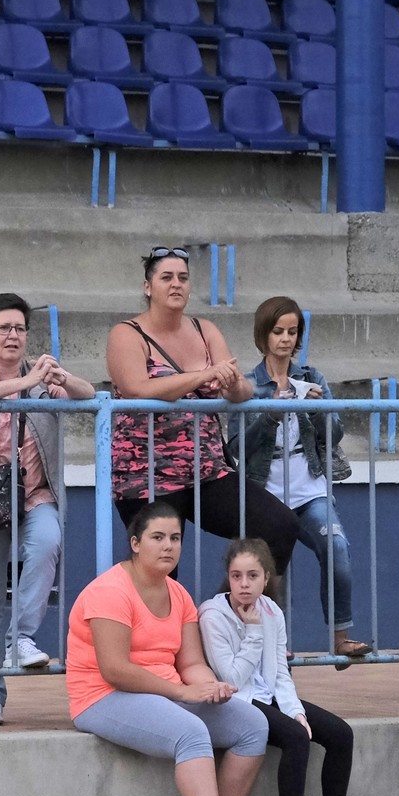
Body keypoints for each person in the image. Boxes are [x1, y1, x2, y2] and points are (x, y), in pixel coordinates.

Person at [66, 502, 276, 796]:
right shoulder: (110, 591)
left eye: (175, 538)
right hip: (102, 697)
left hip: (162, 693)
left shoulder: (178, 594)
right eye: (158, 537)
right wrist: (181, 692)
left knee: (253, 725)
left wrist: (210, 687)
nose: (168, 546)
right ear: (135, 543)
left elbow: (191, 663)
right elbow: (115, 670)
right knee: (190, 732)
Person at [0, 293, 95, 726]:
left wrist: (63, 377)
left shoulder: (40, 376)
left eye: (20, 328)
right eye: (4, 328)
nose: (13, 335)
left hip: (34, 494)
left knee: (48, 543)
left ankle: (20, 637)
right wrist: (24, 383)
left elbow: (88, 396)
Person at [105, 248, 298, 587]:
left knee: (280, 526)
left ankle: (236, 609)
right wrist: (202, 376)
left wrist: (234, 384)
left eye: (183, 277)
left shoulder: (204, 329)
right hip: (147, 475)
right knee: (161, 570)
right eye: (166, 277)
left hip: (207, 471)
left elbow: (240, 391)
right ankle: (159, 624)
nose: (176, 284)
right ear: (148, 286)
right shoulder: (126, 333)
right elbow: (136, 388)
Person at [199, 539, 373, 796]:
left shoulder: (271, 611)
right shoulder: (212, 615)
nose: (244, 584)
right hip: (238, 702)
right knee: (295, 738)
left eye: (252, 576)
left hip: (270, 697)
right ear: (228, 577)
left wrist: (295, 710)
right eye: (236, 576)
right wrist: (252, 632)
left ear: (266, 578)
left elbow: (280, 673)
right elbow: (232, 678)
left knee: (340, 734)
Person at [234, 296, 368, 659]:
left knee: (337, 548)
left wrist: (319, 410)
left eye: (292, 332)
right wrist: (271, 415)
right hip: (266, 491)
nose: (285, 339)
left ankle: (341, 639)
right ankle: (277, 648)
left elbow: (334, 435)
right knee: (271, 572)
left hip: (310, 488)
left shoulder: (312, 377)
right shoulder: (247, 384)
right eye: (278, 331)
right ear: (263, 334)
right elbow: (236, 446)